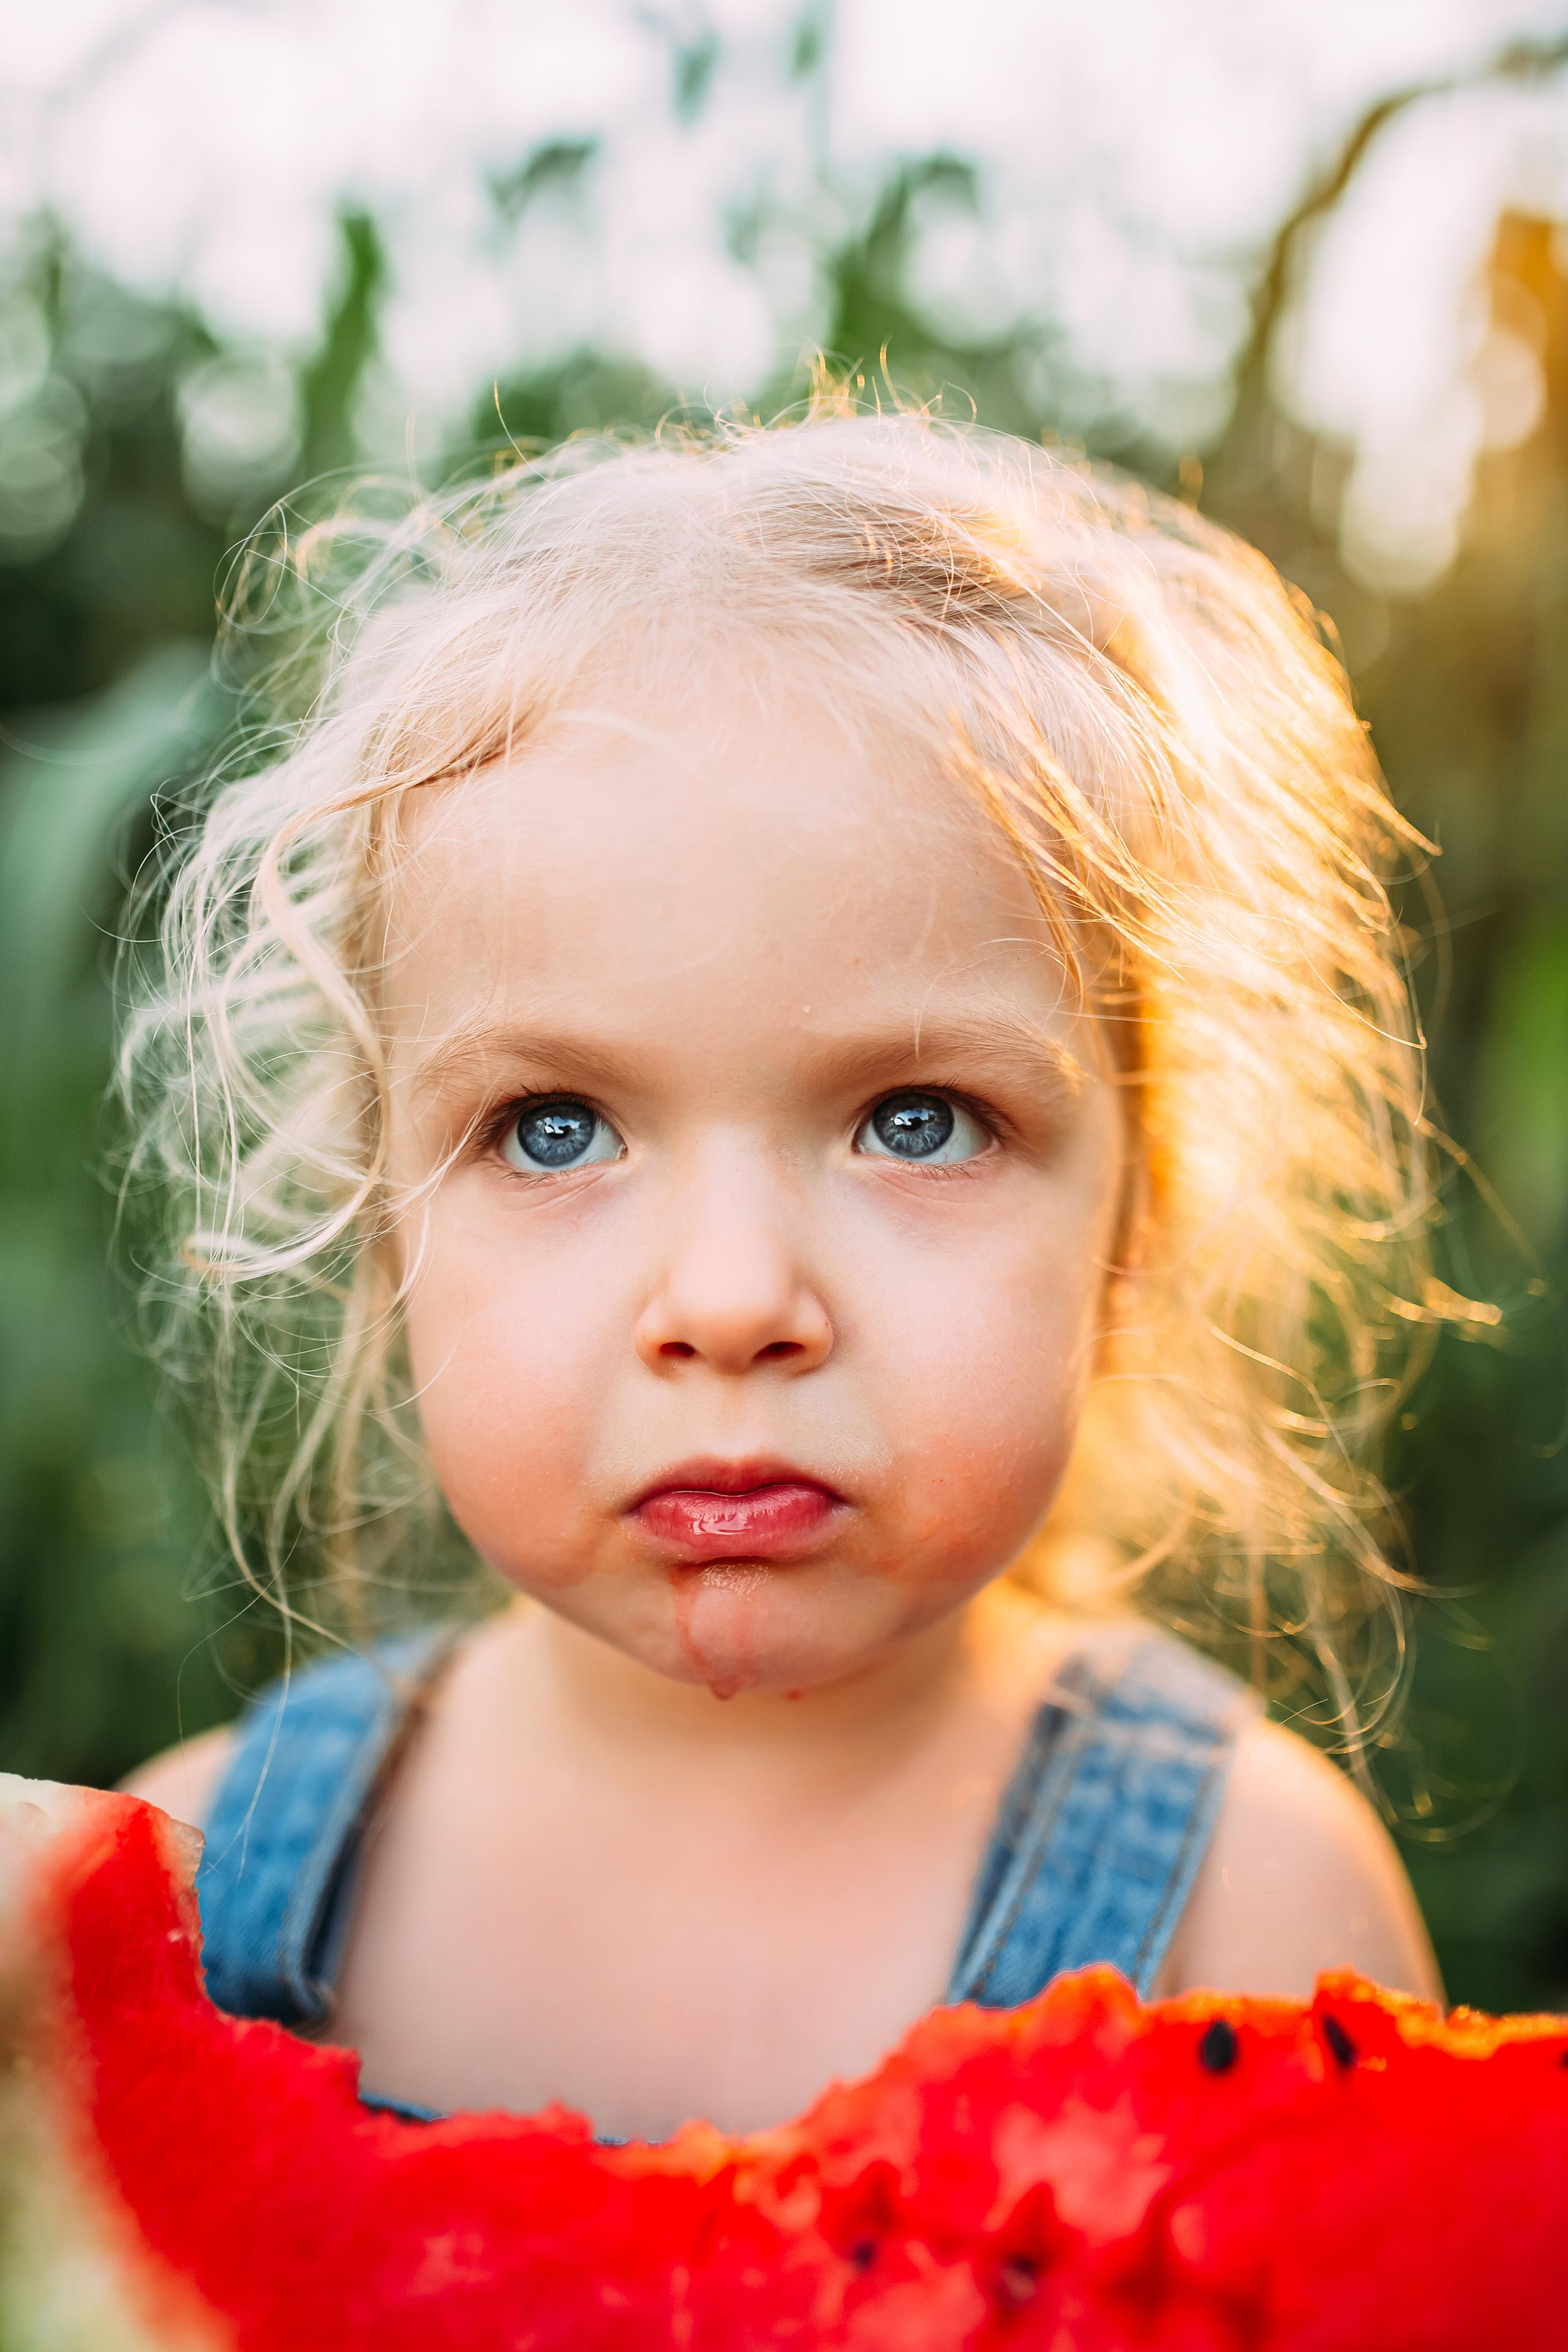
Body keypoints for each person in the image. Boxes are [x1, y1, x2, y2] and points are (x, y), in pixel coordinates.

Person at [123, 409, 1439, 2144]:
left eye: (914, 1120)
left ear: (1139, 1215)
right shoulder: (187, 1906)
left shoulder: (1257, 1925)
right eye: (553, 1130)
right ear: (383, 1232)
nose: (734, 1301)